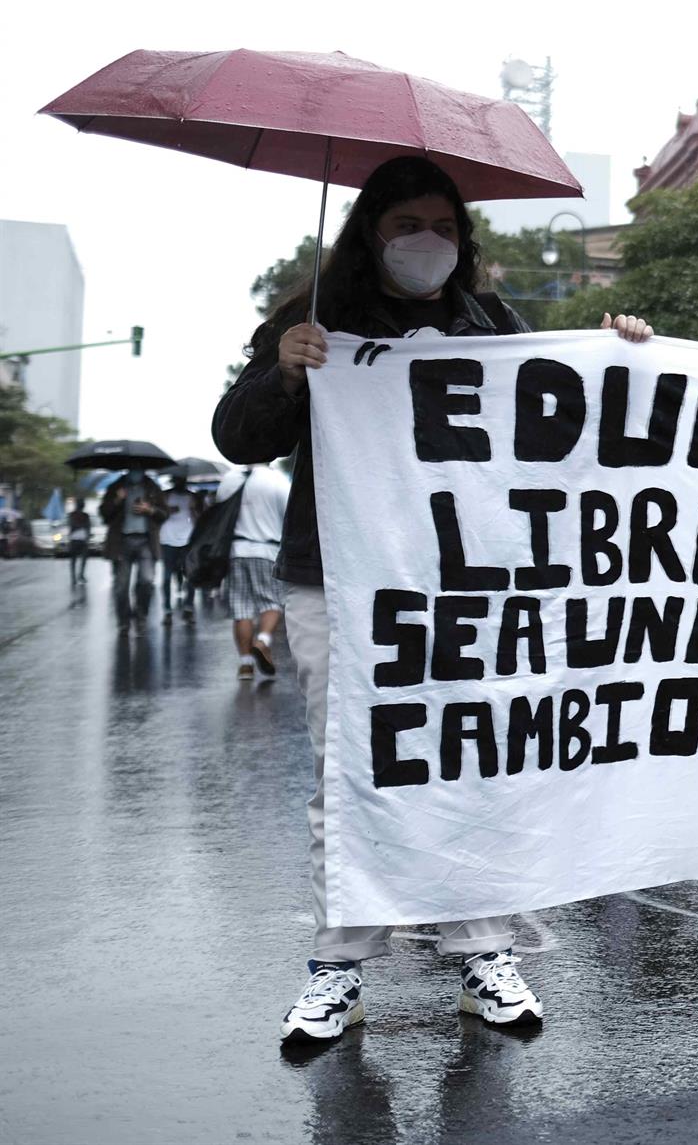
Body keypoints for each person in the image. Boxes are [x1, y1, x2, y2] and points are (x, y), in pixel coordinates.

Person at [212, 154, 654, 1043]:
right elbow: (237, 437)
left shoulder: (493, 326)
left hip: (464, 586)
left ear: (466, 239)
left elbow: (565, 428)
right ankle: (337, 970)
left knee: (473, 762)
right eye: (408, 226)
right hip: (337, 581)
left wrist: (619, 354)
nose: (428, 243)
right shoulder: (316, 324)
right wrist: (284, 373)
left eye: (445, 228)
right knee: (353, 770)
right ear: (371, 236)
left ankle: (483, 953)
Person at [213, 463, 290, 681]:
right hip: (267, 550)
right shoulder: (277, 480)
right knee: (272, 603)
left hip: (236, 551)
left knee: (241, 609)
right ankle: (263, 641)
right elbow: (289, 516)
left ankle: (245, 665)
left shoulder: (229, 479)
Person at [101, 470, 163, 630]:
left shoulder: (153, 488)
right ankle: (123, 620)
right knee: (121, 586)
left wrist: (150, 510)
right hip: (121, 542)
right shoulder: (115, 487)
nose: (136, 469)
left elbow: (164, 514)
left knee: (147, 581)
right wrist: (117, 499)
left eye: (139, 466)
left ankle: (141, 615)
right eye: (132, 466)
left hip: (146, 543)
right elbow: (104, 514)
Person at [157, 474, 199, 624]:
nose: (181, 483)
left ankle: (188, 608)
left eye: (183, 480)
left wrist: (194, 510)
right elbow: (158, 514)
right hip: (167, 539)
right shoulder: (165, 495)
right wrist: (167, 509)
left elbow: (198, 518)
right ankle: (167, 610)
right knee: (167, 577)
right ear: (173, 481)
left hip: (187, 540)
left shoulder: (192, 497)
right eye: (178, 480)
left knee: (191, 576)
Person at [66, 496, 92, 586]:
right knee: (79, 558)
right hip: (79, 539)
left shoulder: (76, 515)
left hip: (78, 539)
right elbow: (87, 527)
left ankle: (77, 575)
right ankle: (78, 575)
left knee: (77, 559)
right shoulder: (80, 515)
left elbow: (72, 526)